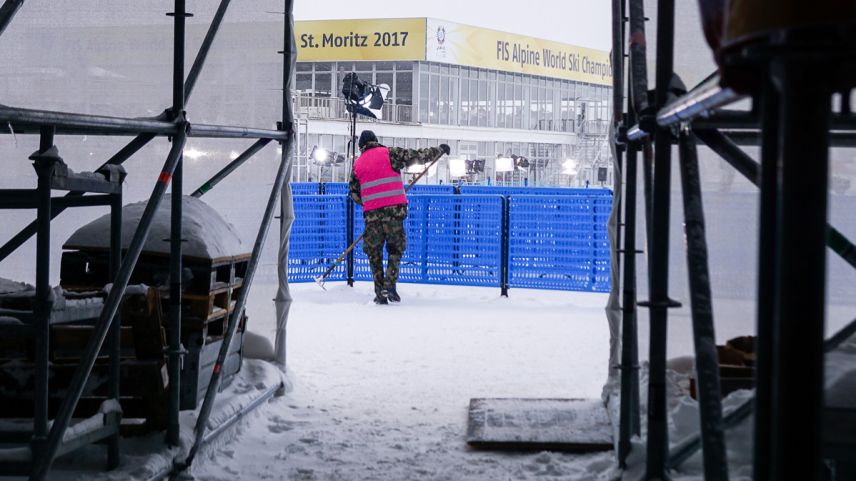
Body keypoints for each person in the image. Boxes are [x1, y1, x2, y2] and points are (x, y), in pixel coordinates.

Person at [349, 130, 450, 304]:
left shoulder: (357, 165)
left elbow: (354, 193)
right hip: (394, 214)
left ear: (360, 147)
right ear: (376, 141)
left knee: (374, 254)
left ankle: (380, 292)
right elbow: (418, 156)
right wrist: (439, 150)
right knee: (395, 250)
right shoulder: (389, 153)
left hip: (372, 217)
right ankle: (390, 285)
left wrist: (370, 203)